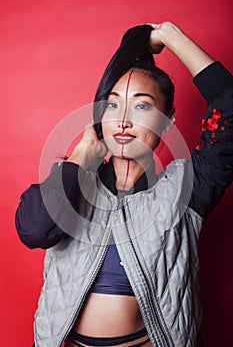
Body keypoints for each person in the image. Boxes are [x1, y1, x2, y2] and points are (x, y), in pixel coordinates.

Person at [15, 22, 233, 347]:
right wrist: (80, 160)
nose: (124, 119)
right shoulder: (73, 182)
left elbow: (229, 109)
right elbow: (34, 229)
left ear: (169, 119)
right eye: (114, 104)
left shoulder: (186, 187)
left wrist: (168, 35)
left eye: (142, 105)